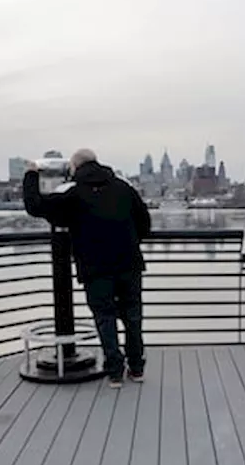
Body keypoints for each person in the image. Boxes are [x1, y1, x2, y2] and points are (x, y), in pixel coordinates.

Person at [22, 148, 152, 387]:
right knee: (133, 316)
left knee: (105, 317)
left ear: (74, 168)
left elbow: (36, 206)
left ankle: (115, 372)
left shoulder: (74, 195)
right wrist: (130, 243)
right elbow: (145, 223)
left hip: (95, 268)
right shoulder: (124, 189)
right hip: (128, 264)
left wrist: (32, 174)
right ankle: (137, 368)